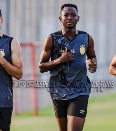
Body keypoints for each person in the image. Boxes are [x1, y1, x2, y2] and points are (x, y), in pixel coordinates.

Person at [39, 3, 97, 131]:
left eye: (73, 15)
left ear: (78, 18)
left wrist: (92, 63)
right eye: (66, 15)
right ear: (60, 18)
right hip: (58, 91)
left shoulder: (86, 38)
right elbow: (41, 67)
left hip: (80, 90)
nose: (69, 17)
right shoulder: (52, 39)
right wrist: (59, 60)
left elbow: (92, 56)